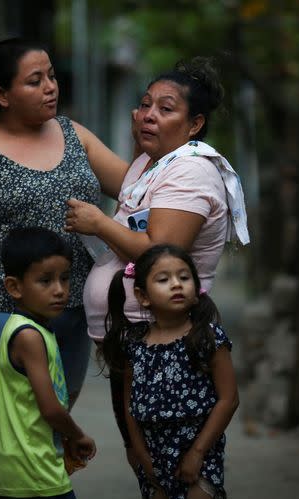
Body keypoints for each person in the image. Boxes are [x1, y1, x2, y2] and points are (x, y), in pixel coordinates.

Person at [0, 37, 127, 499]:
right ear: (1, 94)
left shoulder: (73, 134)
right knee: (14, 439)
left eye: (52, 77)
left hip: (72, 311)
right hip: (0, 317)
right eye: (34, 80)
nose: (50, 88)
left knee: (46, 432)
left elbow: (135, 188)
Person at [64, 56, 249, 456]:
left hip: (160, 338)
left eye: (165, 109)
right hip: (134, 336)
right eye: (145, 105)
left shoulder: (192, 171)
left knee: (166, 461)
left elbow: (161, 255)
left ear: (195, 124)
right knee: (145, 459)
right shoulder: (154, 163)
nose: (149, 115)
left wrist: (98, 223)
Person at [103, 244, 238, 499]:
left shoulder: (207, 337)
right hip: (153, 460)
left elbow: (229, 399)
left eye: (184, 277)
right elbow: (130, 405)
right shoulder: (134, 344)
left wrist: (198, 452)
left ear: (196, 286)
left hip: (200, 454)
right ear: (142, 296)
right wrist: (142, 456)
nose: (176, 284)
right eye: (163, 280)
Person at [0, 227, 95, 499]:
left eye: (65, 278)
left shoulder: (30, 330)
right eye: (45, 280)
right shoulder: (30, 337)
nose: (60, 290)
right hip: (34, 475)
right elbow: (50, 409)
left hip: (20, 474)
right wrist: (77, 436)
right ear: (14, 286)